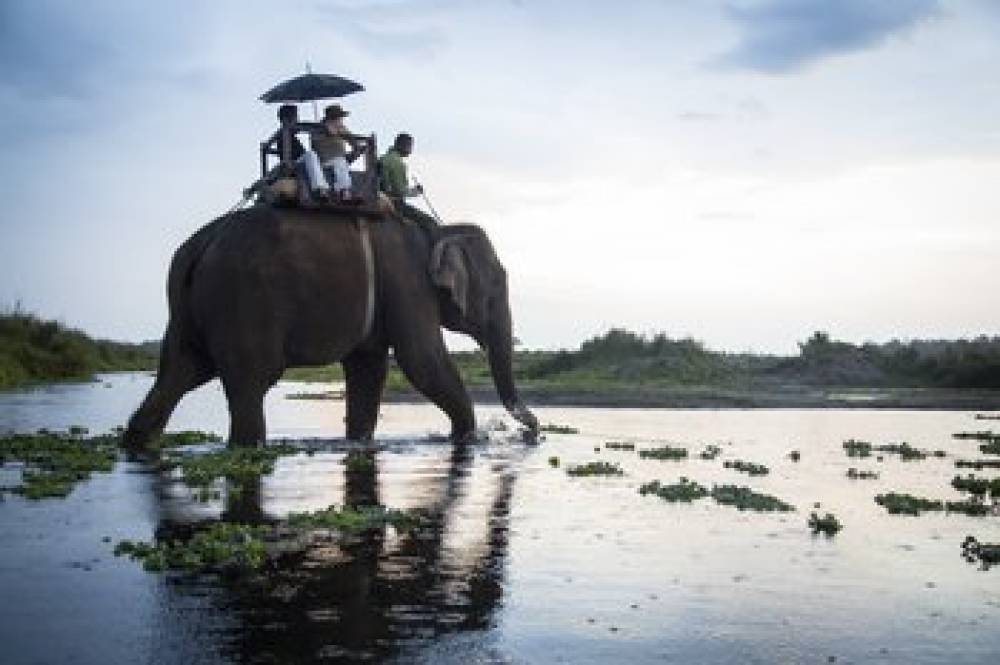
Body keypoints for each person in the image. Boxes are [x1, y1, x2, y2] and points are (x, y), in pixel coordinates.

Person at [262, 104, 331, 200]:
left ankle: (324, 187)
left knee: (314, 157)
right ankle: (320, 188)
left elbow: (302, 126)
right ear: (286, 119)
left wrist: (317, 126)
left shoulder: (290, 133)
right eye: (295, 116)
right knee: (310, 155)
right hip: (293, 163)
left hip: (300, 161)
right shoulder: (284, 133)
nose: (297, 119)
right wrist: (317, 127)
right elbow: (300, 127)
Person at [379, 133, 439, 231]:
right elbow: (400, 191)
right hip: (394, 203)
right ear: (402, 145)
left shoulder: (383, 158)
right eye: (410, 146)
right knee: (430, 222)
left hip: (380, 198)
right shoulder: (398, 163)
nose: (411, 150)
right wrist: (416, 191)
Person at [311, 104, 364, 203]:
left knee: (341, 162)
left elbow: (355, 144)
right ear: (331, 118)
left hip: (339, 161)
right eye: (338, 117)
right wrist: (328, 131)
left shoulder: (341, 127)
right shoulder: (318, 129)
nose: (341, 119)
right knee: (340, 161)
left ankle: (345, 191)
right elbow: (315, 145)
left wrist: (355, 145)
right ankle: (344, 192)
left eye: (340, 117)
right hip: (323, 161)